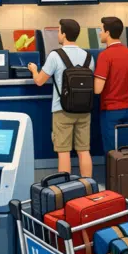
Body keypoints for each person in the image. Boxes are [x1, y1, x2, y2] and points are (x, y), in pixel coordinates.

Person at [28, 19, 94, 177]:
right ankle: (88, 186)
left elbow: (39, 81)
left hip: (61, 110)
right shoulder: (88, 57)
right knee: (84, 150)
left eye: (59, 31)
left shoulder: (55, 55)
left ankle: (65, 189)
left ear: (64, 34)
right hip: (84, 110)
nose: (58, 34)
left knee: (63, 151)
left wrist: (34, 70)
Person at [93, 16, 128, 154]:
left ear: (108, 33)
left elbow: (97, 89)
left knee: (112, 153)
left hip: (111, 109)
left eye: (101, 30)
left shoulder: (105, 56)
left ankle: (112, 176)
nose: (100, 33)